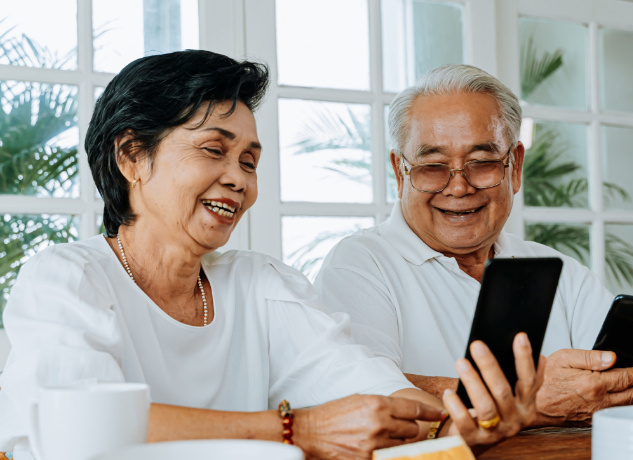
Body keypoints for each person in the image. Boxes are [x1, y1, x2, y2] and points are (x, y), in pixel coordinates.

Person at [0, 51, 545, 460]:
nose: (238, 178)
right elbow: (84, 433)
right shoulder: (67, 279)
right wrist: (296, 430)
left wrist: (462, 421)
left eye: (250, 160)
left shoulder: (259, 283)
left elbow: (371, 391)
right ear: (131, 156)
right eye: (215, 150)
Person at [315, 64, 633, 427]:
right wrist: (526, 399)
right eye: (433, 167)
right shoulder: (359, 264)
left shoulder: (555, 266)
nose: (459, 187)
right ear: (400, 172)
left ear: (516, 166)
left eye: (482, 162)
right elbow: (359, 394)